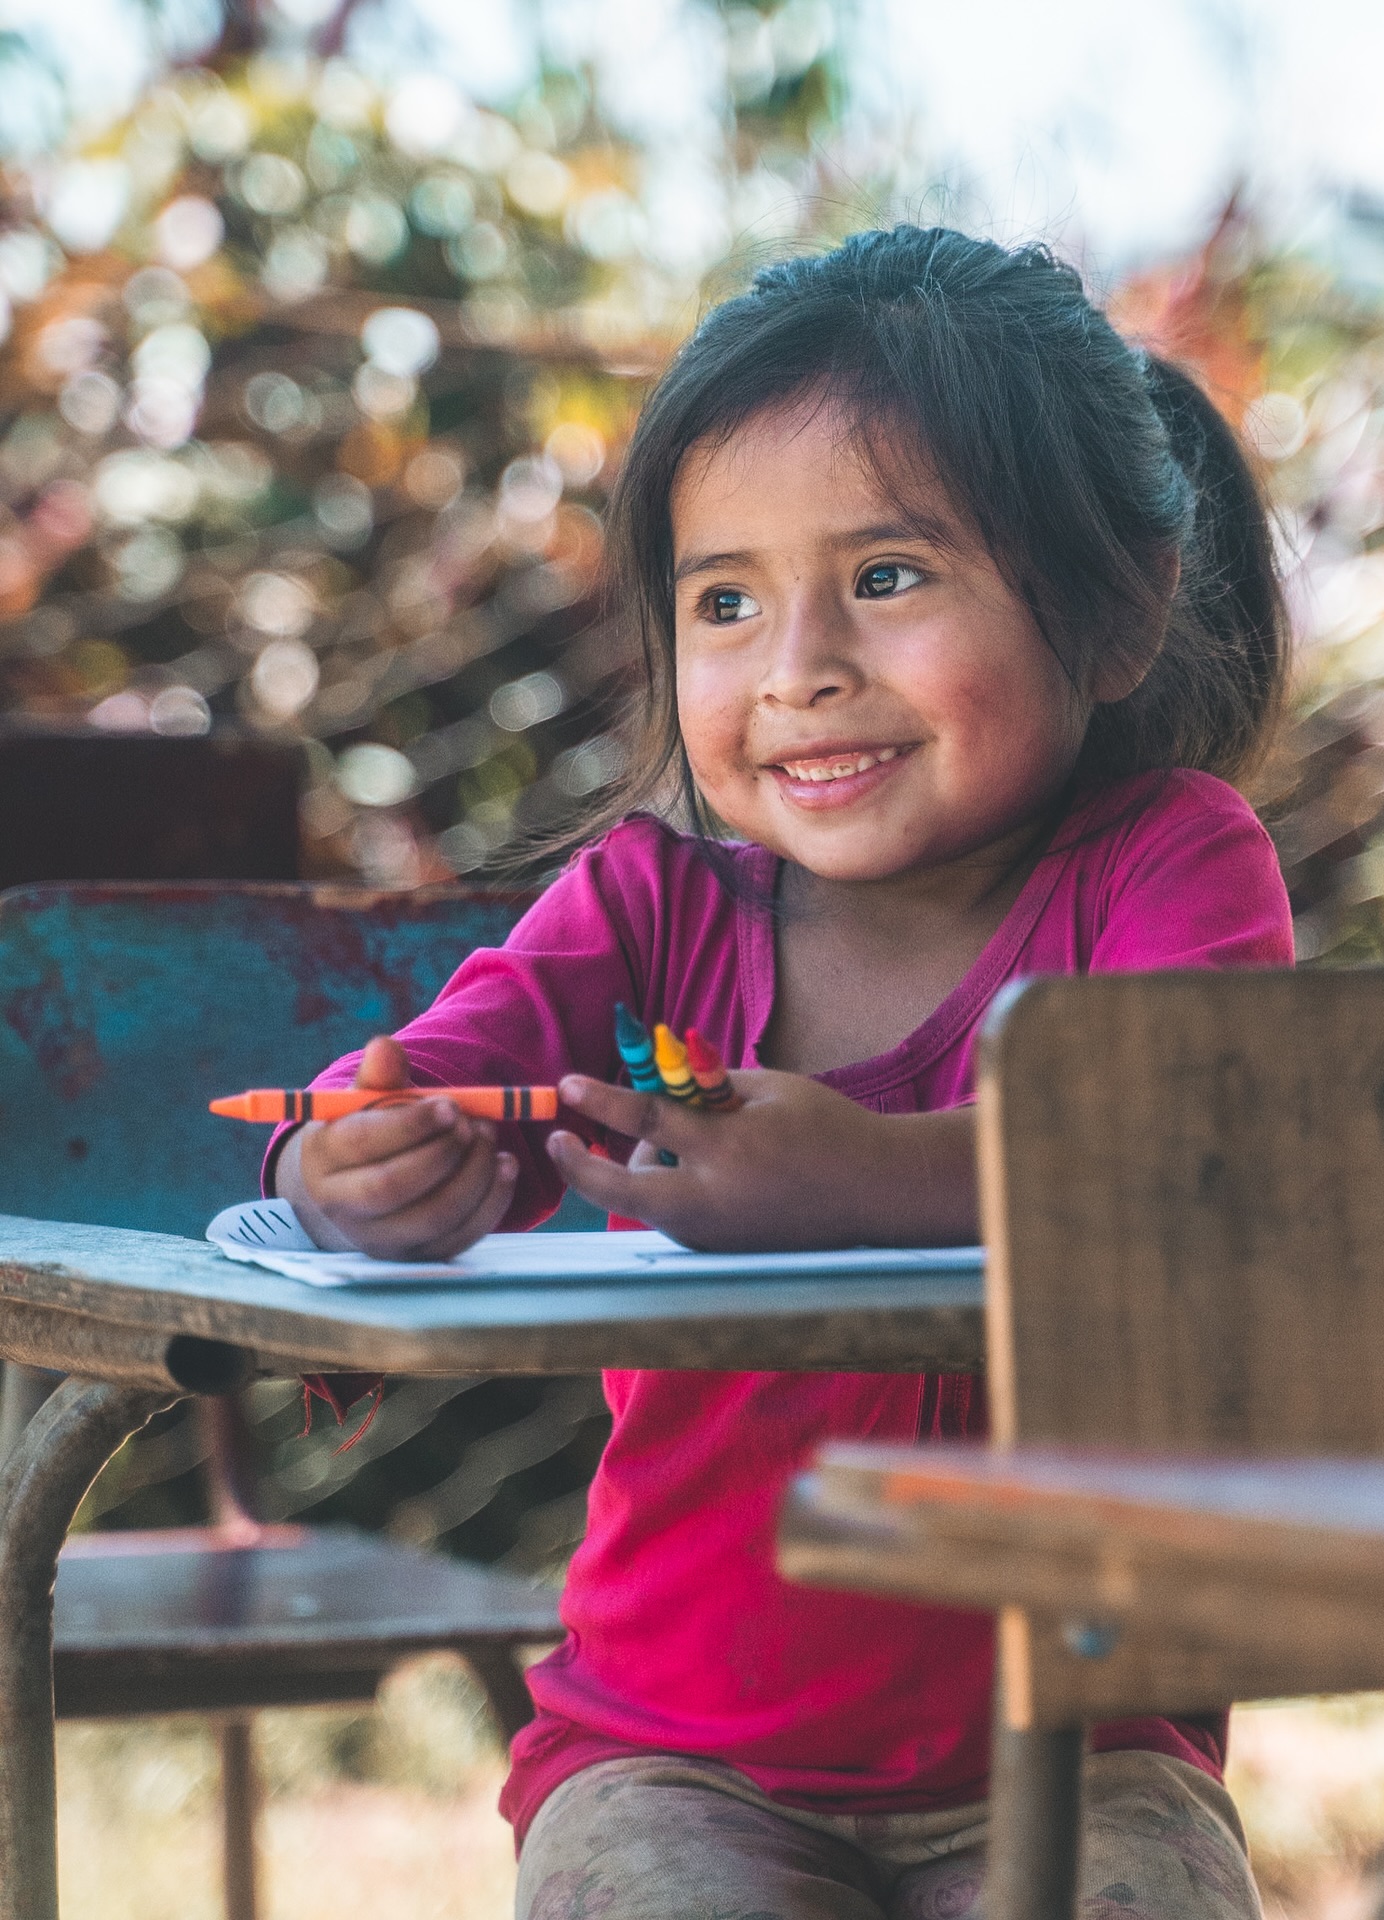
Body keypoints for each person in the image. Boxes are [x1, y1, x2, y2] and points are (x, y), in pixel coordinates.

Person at [270, 226, 1293, 1920]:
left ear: (1117, 614)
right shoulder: (647, 905)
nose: (797, 666)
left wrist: (869, 1179)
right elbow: (415, 1099)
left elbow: (1210, 1171)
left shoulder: (1171, 864)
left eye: (888, 577)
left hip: (1092, 1744)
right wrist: (349, 1169)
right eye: (724, 600)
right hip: (667, 1755)